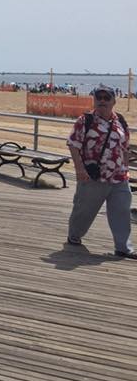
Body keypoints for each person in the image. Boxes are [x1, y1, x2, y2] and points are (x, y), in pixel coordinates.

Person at [66, 85, 134, 258]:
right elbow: (73, 145)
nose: (102, 101)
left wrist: (126, 170)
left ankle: (123, 248)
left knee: (122, 211)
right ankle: (74, 236)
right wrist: (79, 169)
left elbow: (125, 148)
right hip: (93, 176)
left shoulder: (120, 121)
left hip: (118, 177)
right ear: (94, 100)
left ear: (114, 101)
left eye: (106, 98)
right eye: (99, 97)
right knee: (84, 211)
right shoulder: (85, 120)